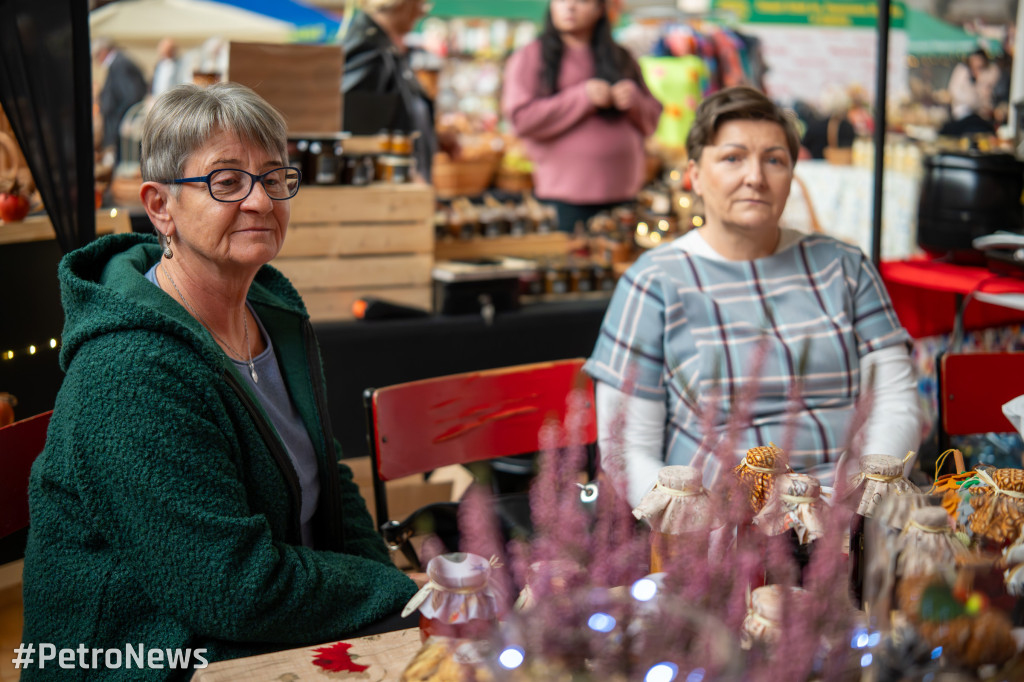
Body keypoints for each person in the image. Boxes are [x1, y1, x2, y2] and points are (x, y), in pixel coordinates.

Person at [20, 82, 419, 678]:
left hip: (253, 625)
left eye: (275, 176)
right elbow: (229, 586)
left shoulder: (273, 317)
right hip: (148, 654)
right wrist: (394, 596)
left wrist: (398, 591)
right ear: (160, 206)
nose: (260, 200)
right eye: (225, 181)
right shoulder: (128, 369)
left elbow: (330, 483)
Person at [585, 86, 921, 507]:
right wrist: (692, 525)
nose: (756, 177)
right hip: (717, 525)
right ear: (694, 175)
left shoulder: (845, 267)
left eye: (775, 160)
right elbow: (626, 446)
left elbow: (895, 397)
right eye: (732, 157)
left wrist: (864, 499)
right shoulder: (654, 282)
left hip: (849, 514)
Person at [502, 0, 662, 233]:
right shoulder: (531, 56)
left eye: (582, 1)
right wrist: (581, 97)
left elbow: (652, 122)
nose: (570, 7)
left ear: (600, 9)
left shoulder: (621, 57)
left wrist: (634, 101)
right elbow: (520, 119)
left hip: (625, 194)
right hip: (564, 200)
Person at [342, 0, 448, 181]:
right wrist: (407, 174)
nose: (422, 12)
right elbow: (356, 136)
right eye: (419, 3)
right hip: (388, 196)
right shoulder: (370, 50)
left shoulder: (387, 48)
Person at [93, 38, 148, 164]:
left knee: (123, 162)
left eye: (97, 56)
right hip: (119, 121)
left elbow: (130, 95)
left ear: (103, 51)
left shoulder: (120, 63)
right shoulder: (119, 63)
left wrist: (119, 117)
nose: (97, 60)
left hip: (122, 124)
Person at [941, 49, 1000, 137]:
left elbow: (988, 97)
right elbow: (954, 92)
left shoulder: (988, 73)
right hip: (962, 117)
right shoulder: (962, 71)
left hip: (980, 119)